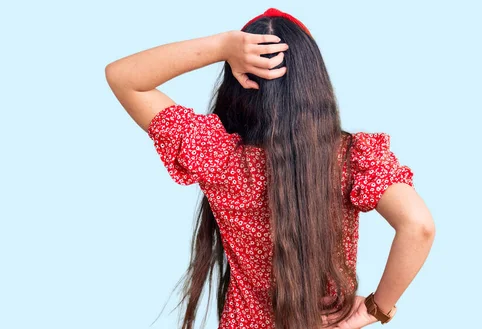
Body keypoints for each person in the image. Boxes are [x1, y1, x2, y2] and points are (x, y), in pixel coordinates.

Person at [105, 7, 435, 329]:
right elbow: (418, 226)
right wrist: (377, 308)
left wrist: (223, 47)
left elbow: (123, 77)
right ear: (313, 82)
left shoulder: (218, 157)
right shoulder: (352, 158)